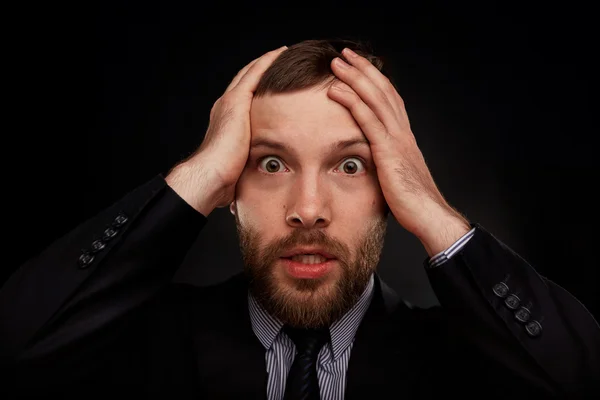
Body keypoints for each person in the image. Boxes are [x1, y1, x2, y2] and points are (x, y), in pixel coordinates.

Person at [1, 39, 598, 399]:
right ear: (230, 187)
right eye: (269, 162)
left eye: (349, 167)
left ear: (391, 189)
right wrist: (201, 171)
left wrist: (432, 210)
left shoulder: (462, 358)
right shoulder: (144, 347)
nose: (307, 210)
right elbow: (17, 346)